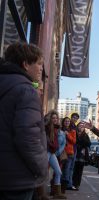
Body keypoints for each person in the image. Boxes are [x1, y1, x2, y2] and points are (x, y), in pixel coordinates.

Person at [0, 42, 48, 199]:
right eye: (39, 63)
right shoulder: (26, 90)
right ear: (26, 64)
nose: (41, 69)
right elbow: (28, 138)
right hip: (16, 179)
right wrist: (42, 169)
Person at [45, 111, 67, 199]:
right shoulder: (46, 127)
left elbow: (62, 142)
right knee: (43, 172)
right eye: (53, 118)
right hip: (47, 151)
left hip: (52, 152)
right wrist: (52, 146)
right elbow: (46, 140)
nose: (55, 119)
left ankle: (57, 193)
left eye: (56, 118)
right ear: (50, 119)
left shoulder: (57, 128)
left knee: (58, 172)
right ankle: (39, 193)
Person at [72, 122, 91, 189]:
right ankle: (72, 184)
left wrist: (81, 144)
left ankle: (77, 185)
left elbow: (88, 143)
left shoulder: (85, 135)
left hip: (81, 156)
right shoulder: (74, 133)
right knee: (73, 170)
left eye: (82, 127)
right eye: (80, 126)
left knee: (79, 171)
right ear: (77, 127)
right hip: (74, 154)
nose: (81, 127)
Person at [61, 117, 77, 191]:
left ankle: (65, 185)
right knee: (61, 169)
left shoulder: (73, 131)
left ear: (70, 123)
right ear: (63, 122)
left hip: (69, 152)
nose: (67, 122)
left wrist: (67, 134)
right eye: (65, 121)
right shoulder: (60, 130)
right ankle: (61, 183)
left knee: (67, 169)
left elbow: (74, 141)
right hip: (61, 152)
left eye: (68, 121)